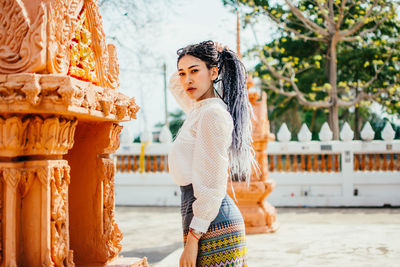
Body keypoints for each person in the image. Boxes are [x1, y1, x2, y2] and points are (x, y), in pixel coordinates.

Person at [168, 40, 260, 267]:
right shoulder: (199, 109)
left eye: (194, 71)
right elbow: (175, 84)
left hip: (211, 220)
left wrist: (193, 239)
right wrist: (206, 55)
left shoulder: (212, 114)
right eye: (182, 73)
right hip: (200, 214)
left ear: (213, 72)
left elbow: (212, 184)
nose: (186, 79)